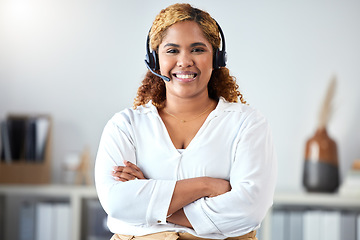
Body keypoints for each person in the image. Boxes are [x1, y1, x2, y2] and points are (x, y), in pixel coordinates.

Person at [95, 3, 277, 240]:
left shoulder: (247, 124)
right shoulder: (125, 126)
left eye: (198, 49)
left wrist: (151, 199)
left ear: (216, 57)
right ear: (155, 59)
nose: (184, 61)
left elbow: (249, 209)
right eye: (172, 51)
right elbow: (118, 203)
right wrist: (208, 186)